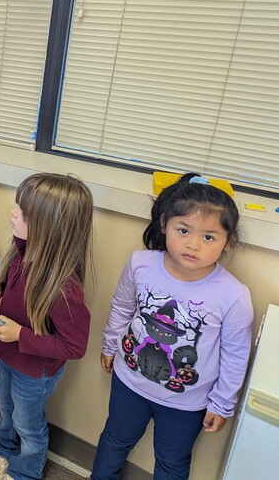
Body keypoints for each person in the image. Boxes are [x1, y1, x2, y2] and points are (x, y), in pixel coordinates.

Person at [91, 173, 254, 480]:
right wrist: (110, 344)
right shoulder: (141, 264)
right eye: (183, 230)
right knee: (114, 441)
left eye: (208, 237)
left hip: (187, 402)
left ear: (227, 243)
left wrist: (222, 404)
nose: (193, 244)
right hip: (130, 383)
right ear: (165, 224)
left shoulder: (234, 295)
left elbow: (235, 357)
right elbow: (122, 306)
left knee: (172, 463)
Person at [0, 173, 93, 480]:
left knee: (28, 424)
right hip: (6, 355)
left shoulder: (65, 290)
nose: (13, 213)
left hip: (34, 371)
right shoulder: (23, 249)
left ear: (50, 227)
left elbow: (74, 346)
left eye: (23, 211)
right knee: (6, 411)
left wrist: (20, 335)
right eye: (18, 205)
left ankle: (25, 472)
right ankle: (4, 449)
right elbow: (13, 280)